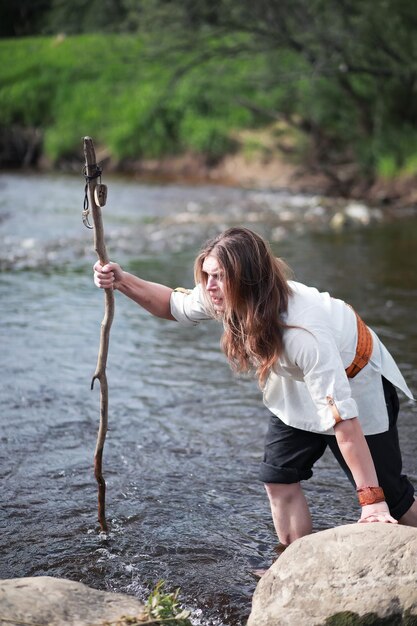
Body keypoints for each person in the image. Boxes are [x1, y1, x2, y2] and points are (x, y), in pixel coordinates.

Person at [93, 226, 417, 549]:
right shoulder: (225, 295)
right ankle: (293, 565)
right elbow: (171, 306)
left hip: (354, 381)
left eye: (218, 276)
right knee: (279, 478)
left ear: (248, 277)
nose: (209, 287)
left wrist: (371, 501)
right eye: (206, 276)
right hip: (295, 385)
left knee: (392, 500)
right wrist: (122, 281)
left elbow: (343, 419)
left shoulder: (303, 331)